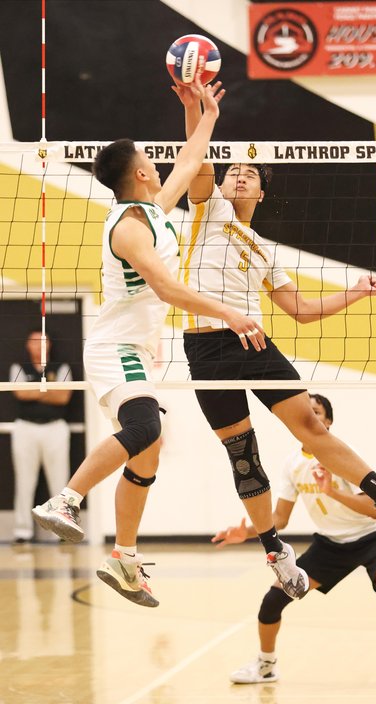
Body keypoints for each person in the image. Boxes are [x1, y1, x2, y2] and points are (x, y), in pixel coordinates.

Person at [173, 86, 376, 600]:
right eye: (234, 171)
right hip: (207, 348)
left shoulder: (267, 251)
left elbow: (302, 311)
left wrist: (356, 293)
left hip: (253, 343)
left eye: (250, 174)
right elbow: (196, 155)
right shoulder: (209, 212)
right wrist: (198, 108)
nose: (239, 174)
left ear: (262, 194)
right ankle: (276, 550)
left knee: (311, 425)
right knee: (244, 456)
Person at [32, 76, 268, 608]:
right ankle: (65, 501)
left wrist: (203, 111)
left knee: (148, 451)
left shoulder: (155, 210)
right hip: (116, 348)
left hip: (135, 350)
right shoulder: (129, 227)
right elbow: (166, 288)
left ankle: (124, 557)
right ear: (139, 173)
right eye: (150, 161)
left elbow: (189, 161)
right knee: (146, 427)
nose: (160, 166)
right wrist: (229, 312)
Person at [212, 394, 376, 687]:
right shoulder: (293, 465)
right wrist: (247, 533)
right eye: (306, 410)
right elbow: (281, 518)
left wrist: (333, 492)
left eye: (316, 412)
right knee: (273, 601)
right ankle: (266, 666)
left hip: (372, 538)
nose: (309, 415)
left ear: (327, 421)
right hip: (330, 545)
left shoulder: (340, 455)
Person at [9, 329, 73, 544]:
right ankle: (22, 531)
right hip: (25, 428)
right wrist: (48, 390)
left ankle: (61, 531)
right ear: (28, 345)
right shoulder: (18, 367)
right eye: (35, 342)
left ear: (50, 345)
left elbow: (63, 396)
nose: (39, 346)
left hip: (55, 428)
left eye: (43, 342)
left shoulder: (61, 367)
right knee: (24, 481)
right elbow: (20, 393)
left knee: (59, 481)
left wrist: (34, 390)